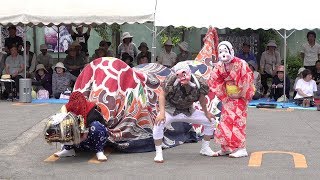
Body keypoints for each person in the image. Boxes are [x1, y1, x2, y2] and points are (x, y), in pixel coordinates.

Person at [153, 62, 215, 163]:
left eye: (184, 73)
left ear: (189, 72)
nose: (181, 77)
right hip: (171, 110)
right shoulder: (171, 80)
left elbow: (202, 99)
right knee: (158, 123)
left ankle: (205, 148)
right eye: (178, 75)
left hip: (188, 110)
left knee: (211, 120)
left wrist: (206, 112)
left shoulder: (199, 82)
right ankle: (158, 153)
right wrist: (162, 112)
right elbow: (162, 95)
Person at [209, 41, 254, 158]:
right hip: (228, 97)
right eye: (220, 51)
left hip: (240, 98)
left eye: (225, 51)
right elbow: (215, 79)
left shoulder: (241, 63)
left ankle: (241, 148)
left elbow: (247, 79)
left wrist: (241, 93)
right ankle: (225, 148)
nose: (223, 54)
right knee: (224, 122)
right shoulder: (219, 65)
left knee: (238, 122)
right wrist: (223, 95)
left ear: (231, 51)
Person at [53, 91, 109, 161]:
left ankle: (99, 151)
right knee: (65, 124)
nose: (76, 105)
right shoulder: (69, 110)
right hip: (79, 142)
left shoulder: (91, 109)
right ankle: (69, 149)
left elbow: (101, 125)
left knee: (96, 126)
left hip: (93, 139)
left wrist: (80, 137)